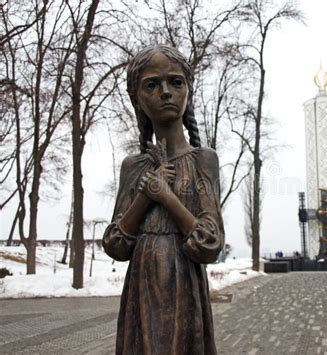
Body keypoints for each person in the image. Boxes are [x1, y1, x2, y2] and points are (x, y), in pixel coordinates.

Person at [102, 45, 224, 355]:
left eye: (176, 82)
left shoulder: (203, 161)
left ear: (188, 90)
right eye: (152, 85)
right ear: (138, 99)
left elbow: (209, 243)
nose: (166, 92)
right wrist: (145, 195)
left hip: (185, 285)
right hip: (141, 291)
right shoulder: (133, 167)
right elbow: (116, 244)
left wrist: (166, 197)